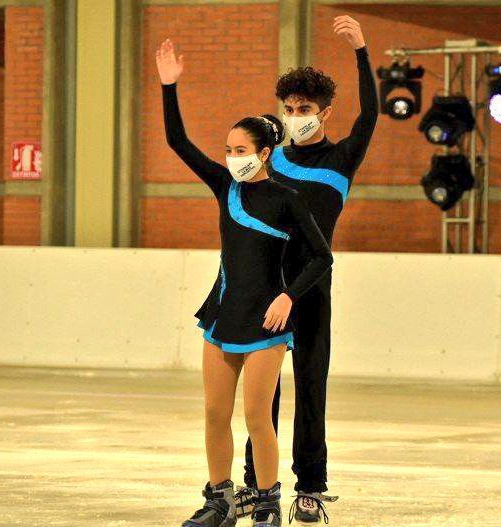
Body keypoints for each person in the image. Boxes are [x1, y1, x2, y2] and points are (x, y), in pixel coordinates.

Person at [156, 38, 333, 527]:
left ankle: (267, 501)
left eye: (240, 150)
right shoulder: (224, 186)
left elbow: (321, 257)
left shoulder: (288, 198)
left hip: (266, 322)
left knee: (258, 419)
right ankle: (219, 501)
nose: (232, 157)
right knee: (215, 415)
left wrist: (287, 296)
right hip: (222, 317)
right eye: (229, 150)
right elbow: (177, 142)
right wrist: (169, 87)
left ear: (266, 152)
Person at [236, 15, 377, 524]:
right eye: (290, 109)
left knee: (310, 385)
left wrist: (361, 50)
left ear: (325, 112)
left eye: (305, 109)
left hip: (313, 285)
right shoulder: (271, 160)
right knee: (262, 393)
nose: (296, 115)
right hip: (270, 287)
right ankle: (257, 483)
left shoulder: (342, 158)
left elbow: (372, 113)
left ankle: (311, 488)